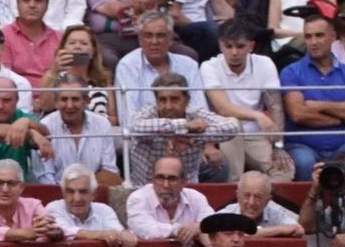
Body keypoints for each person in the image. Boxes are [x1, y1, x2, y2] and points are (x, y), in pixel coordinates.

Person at [203, 20, 286, 180]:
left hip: (255, 134)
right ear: (220, 46)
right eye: (228, 46)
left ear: (251, 46)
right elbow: (223, 108)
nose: (234, 52)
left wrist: (278, 145)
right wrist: (258, 115)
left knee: (284, 171)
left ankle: (258, 198)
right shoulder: (209, 66)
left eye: (240, 46)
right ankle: (235, 192)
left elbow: (276, 107)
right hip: (224, 135)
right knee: (232, 122)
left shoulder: (265, 63)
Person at [127, 71, 238, 182]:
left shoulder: (194, 113)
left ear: (187, 100)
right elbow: (134, 127)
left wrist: (188, 136)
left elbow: (231, 127)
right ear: (156, 101)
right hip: (145, 187)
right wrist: (184, 126)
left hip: (186, 188)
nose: (168, 106)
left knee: (221, 166)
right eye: (162, 100)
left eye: (174, 99)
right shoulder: (149, 112)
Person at [279, 10, 345, 174]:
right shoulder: (291, 72)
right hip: (303, 146)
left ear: (333, 36)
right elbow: (298, 114)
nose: (313, 42)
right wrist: (340, 119)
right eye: (308, 36)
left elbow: (306, 110)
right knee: (304, 162)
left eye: (319, 35)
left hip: (342, 144)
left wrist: (318, 105)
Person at [114, 10, 206, 121]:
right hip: (146, 136)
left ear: (171, 39)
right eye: (148, 36)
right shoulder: (127, 66)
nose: (154, 41)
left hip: (189, 134)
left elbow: (200, 111)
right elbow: (129, 119)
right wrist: (179, 128)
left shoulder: (188, 65)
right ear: (140, 39)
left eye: (160, 35)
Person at [37, 74, 119, 183]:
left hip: (94, 192)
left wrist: (84, 191)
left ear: (86, 101)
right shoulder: (45, 126)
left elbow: (109, 170)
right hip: (55, 194)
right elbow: (46, 177)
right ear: (56, 102)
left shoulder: (102, 124)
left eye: (75, 99)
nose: (69, 105)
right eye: (64, 99)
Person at [44, 161, 137, 247]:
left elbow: (117, 232)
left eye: (83, 192)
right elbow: (62, 230)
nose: (77, 198)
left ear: (93, 194)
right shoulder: (53, 208)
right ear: (63, 193)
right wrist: (100, 234)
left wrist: (123, 234)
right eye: (70, 192)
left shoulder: (104, 210)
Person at [0, 158, 63, 239]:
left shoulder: (33, 205)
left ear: (21, 187)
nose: (5, 189)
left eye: (11, 183)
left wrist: (52, 231)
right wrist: (24, 233)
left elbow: (55, 228)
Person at [126, 154, 211, 244]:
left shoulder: (195, 197)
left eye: (172, 179)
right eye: (160, 178)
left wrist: (199, 227)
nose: (165, 185)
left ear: (183, 182)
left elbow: (213, 224)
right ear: (152, 180)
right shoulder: (138, 198)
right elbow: (146, 230)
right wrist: (183, 230)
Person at [0, 0, 56, 81]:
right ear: (17, 4)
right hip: (17, 95)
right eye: (26, 0)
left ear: (47, 5)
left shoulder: (59, 38)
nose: (32, 5)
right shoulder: (3, 36)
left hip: (53, 95)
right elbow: (4, 78)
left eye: (38, 0)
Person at [217, 169, 305, 235]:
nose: (251, 203)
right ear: (237, 196)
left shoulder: (276, 213)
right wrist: (278, 230)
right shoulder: (226, 214)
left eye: (258, 197)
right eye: (246, 195)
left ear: (268, 200)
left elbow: (299, 230)